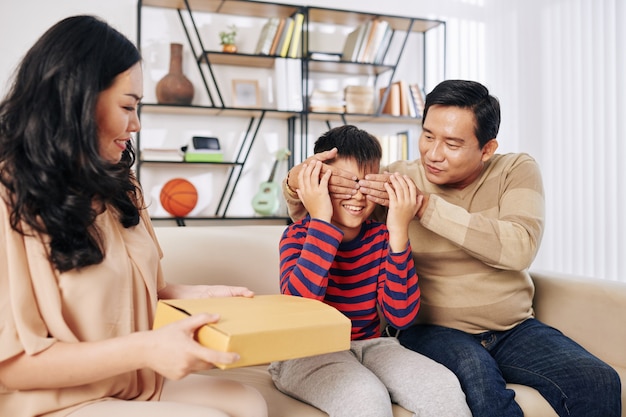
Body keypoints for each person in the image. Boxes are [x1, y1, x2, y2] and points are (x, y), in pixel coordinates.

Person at [281, 80, 622, 417]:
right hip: (432, 330)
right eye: (427, 135)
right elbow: (324, 210)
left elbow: (520, 247)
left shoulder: (515, 170)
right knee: (477, 379)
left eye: (453, 143)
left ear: (486, 149)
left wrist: (425, 208)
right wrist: (294, 181)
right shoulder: (395, 179)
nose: (433, 153)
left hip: (514, 328)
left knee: (599, 380)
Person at [0, 15, 268, 417]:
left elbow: (137, 289)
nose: (137, 124)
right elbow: (12, 366)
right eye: (128, 106)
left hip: (133, 385)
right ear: (77, 99)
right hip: (50, 398)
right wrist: (146, 348)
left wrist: (195, 295)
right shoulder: (10, 195)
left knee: (249, 402)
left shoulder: (122, 186)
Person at [268, 125, 471, 417]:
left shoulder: (381, 238)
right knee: (365, 396)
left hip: (371, 345)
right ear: (318, 183)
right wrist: (322, 219)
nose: (358, 196)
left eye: (366, 184)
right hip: (306, 351)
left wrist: (399, 230)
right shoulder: (297, 236)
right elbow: (301, 308)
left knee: (443, 386)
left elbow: (401, 315)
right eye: (344, 184)